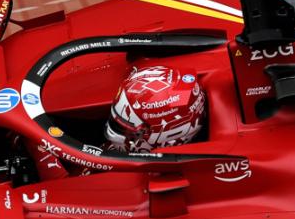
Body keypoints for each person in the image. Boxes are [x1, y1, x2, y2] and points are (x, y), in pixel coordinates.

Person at [35, 63, 205, 179]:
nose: (112, 129)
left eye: (124, 128)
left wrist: (38, 146)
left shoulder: (132, 176)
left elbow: (65, 192)